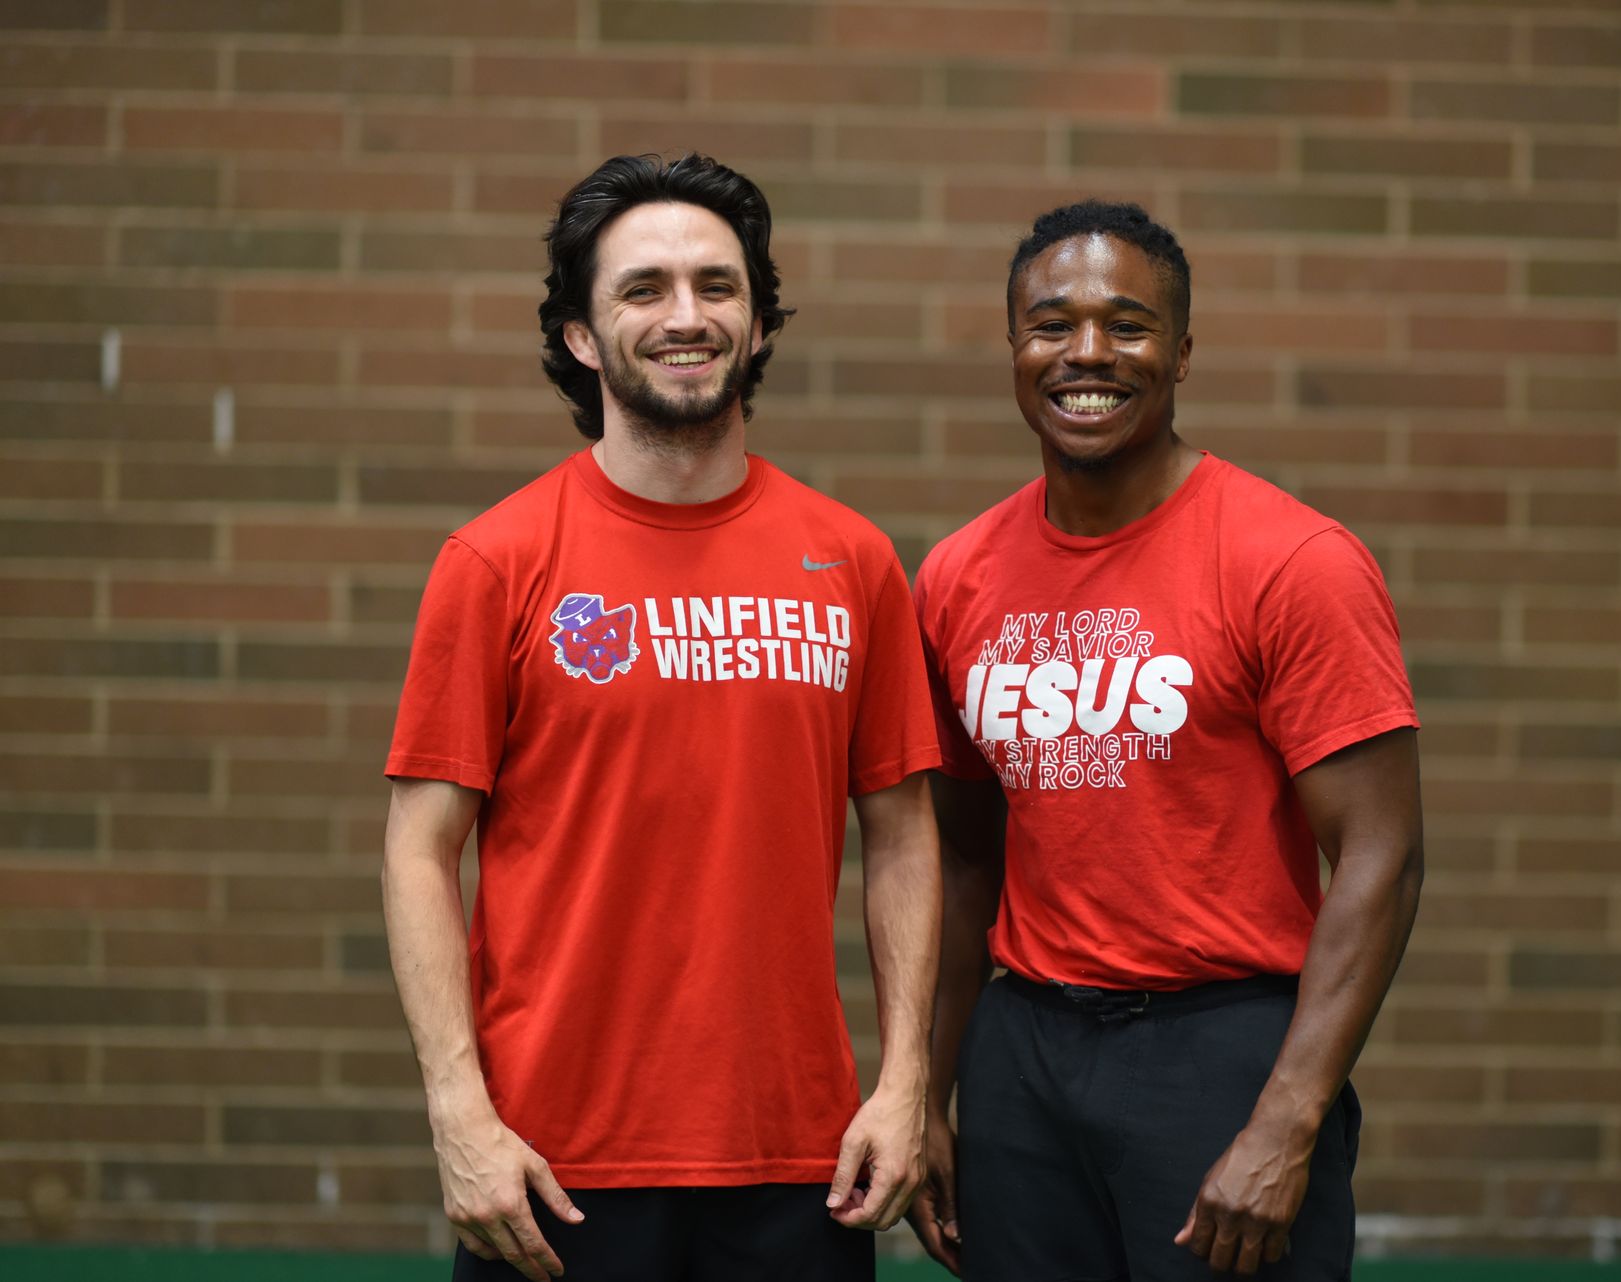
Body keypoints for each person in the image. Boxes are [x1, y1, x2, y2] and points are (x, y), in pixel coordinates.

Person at [381, 153, 941, 1282]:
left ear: (759, 323)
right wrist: (458, 1111)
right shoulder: (495, 561)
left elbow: (904, 837)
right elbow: (418, 849)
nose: (687, 316)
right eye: (644, 289)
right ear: (582, 336)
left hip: (799, 1158)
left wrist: (905, 1083)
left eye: (716, 286)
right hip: (553, 1166)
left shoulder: (853, 560)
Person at [907, 201, 1424, 1281]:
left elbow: (1382, 855)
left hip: (1220, 1051)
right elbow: (962, 859)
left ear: (1182, 353)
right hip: (1023, 1055)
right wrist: (926, 1095)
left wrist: (1287, 1120)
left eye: (1129, 325)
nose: (1088, 353)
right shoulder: (957, 578)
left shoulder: (1293, 562)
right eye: (1053, 325)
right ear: (1014, 350)